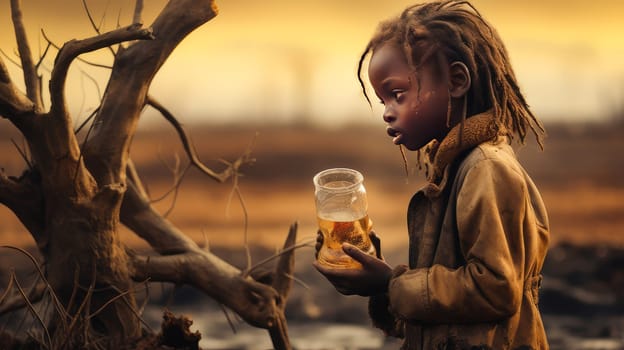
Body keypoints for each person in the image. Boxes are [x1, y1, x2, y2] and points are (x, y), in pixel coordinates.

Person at [313, 1, 550, 349]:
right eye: (383, 102)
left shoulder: (486, 170)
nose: (387, 114)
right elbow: (442, 312)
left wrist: (390, 284)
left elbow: (496, 291)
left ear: (456, 81)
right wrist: (376, 274)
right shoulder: (452, 171)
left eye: (397, 95)